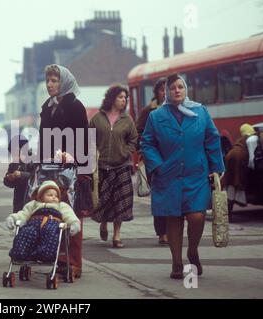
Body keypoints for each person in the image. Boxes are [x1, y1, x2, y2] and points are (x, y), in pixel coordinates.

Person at [141, 74, 224, 279]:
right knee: (174, 217)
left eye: (180, 87)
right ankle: (177, 263)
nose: (177, 90)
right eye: (172, 88)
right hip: (168, 174)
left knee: (197, 215)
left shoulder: (200, 112)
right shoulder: (156, 116)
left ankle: (192, 250)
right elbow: (147, 143)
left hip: (196, 173)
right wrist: (157, 165)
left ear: (185, 90)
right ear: (166, 93)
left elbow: (212, 139)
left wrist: (216, 168)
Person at [38, 64, 90, 278]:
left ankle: (74, 262)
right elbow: (43, 139)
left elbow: (84, 140)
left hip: (72, 168)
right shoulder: (47, 106)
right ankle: (60, 259)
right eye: (48, 81)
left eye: (54, 81)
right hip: (50, 169)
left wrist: (81, 168)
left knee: (72, 217)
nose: (50, 85)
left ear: (64, 82)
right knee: (53, 215)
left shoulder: (75, 106)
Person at [89, 83, 138, 248]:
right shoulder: (97, 118)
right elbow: (89, 140)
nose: (124, 100)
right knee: (103, 201)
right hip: (101, 167)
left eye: (125, 98)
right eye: (120, 97)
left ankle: (117, 236)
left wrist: (126, 152)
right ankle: (103, 223)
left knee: (120, 202)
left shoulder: (127, 119)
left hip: (121, 166)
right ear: (112, 98)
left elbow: (133, 139)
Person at [5, 180, 81, 262]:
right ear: (41, 197)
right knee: (27, 232)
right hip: (33, 223)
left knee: (51, 233)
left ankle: (44, 255)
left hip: (52, 223)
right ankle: (19, 253)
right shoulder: (33, 204)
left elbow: (69, 215)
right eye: (50, 195)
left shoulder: (61, 205)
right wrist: (13, 218)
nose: (54, 197)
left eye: (56, 196)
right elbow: (23, 214)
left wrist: (74, 223)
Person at [136, 78, 169, 245]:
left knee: (174, 197)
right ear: (156, 92)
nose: (165, 92)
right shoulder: (148, 111)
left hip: (172, 159)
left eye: (167, 89)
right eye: (162, 89)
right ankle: (162, 232)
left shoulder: (177, 109)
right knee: (160, 196)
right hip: (154, 161)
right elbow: (139, 135)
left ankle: (171, 230)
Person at [222, 124, 257, 206]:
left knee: (230, 179)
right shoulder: (252, 139)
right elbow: (252, 156)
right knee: (237, 178)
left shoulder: (241, 139)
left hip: (231, 155)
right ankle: (237, 199)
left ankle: (230, 203)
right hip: (239, 157)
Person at [3, 135, 35, 213]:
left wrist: (22, 175)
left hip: (32, 198)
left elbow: (35, 176)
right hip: (19, 200)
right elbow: (8, 183)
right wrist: (9, 178)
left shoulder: (33, 160)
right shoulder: (14, 164)